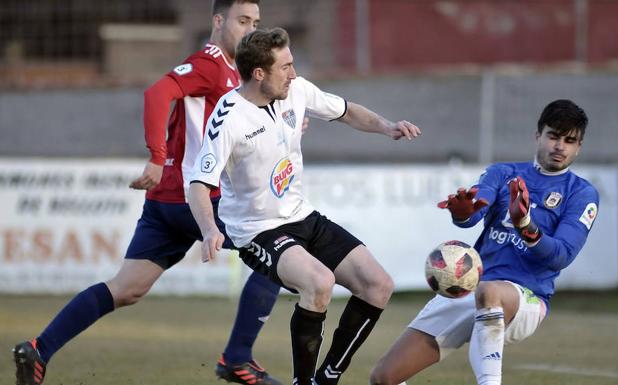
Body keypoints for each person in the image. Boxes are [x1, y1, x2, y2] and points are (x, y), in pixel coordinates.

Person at [13, 2, 285, 385]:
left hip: (166, 203)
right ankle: (238, 359)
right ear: (218, 21)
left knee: (127, 288)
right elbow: (158, 92)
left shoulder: (236, 76)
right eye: (242, 21)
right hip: (195, 198)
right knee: (277, 251)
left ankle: (39, 350)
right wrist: (156, 158)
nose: (250, 30)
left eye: (255, 23)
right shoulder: (209, 63)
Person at [188, 27, 421, 385]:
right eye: (285, 67)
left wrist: (387, 127)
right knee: (319, 283)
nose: (294, 74)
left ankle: (327, 377)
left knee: (378, 285)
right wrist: (208, 230)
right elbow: (199, 184)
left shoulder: (295, 91)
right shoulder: (229, 115)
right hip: (257, 230)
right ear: (259, 73)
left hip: (302, 216)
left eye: (293, 64)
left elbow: (346, 111)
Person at [369, 99, 599, 385]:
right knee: (383, 378)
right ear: (537, 135)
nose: (559, 146)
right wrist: (463, 212)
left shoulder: (582, 194)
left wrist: (525, 225)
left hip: (526, 298)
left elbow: (560, 256)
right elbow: (477, 205)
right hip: (468, 289)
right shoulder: (503, 173)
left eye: (569, 140)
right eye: (553, 136)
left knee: (489, 292)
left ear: (579, 146)